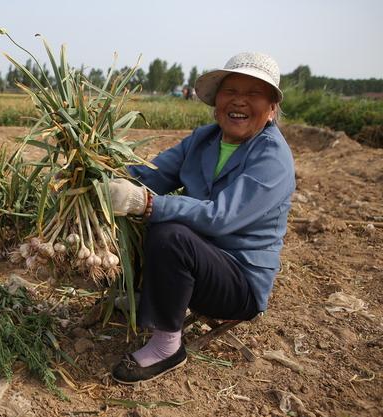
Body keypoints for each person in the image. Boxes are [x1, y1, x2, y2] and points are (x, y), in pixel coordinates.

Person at [107, 52, 295, 384]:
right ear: (216, 100)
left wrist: (147, 203)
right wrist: (101, 178)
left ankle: (168, 347)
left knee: (170, 231)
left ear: (271, 109)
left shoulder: (273, 159)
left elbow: (221, 217)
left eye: (253, 94)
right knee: (152, 222)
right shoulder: (204, 139)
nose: (239, 101)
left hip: (238, 282)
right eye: (230, 91)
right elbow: (152, 175)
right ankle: (154, 298)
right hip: (200, 261)